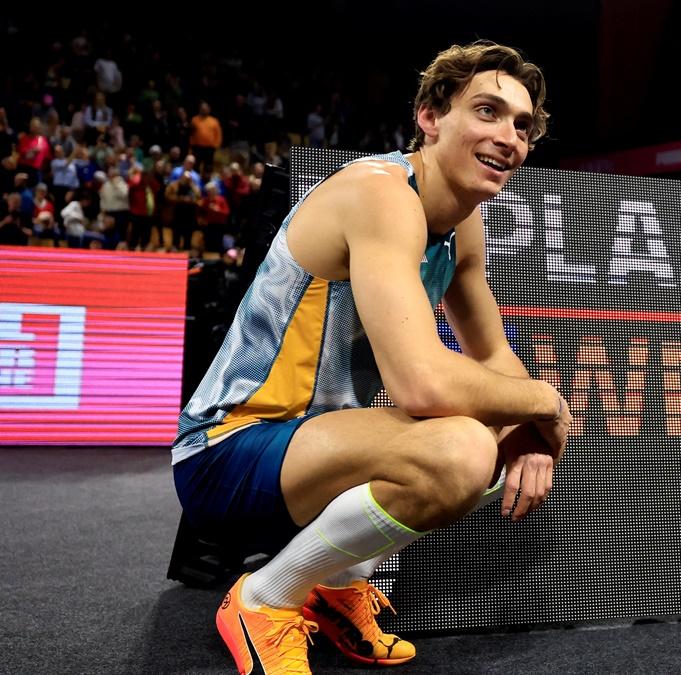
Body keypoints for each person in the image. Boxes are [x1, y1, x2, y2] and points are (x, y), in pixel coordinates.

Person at [172, 42, 566, 674]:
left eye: (522, 125)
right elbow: (419, 381)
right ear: (430, 117)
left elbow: (493, 354)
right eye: (488, 111)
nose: (509, 137)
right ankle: (264, 598)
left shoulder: (463, 225)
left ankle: (334, 584)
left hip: (315, 451)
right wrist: (546, 403)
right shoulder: (380, 193)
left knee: (491, 424)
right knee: (461, 448)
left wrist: (535, 434)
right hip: (226, 452)